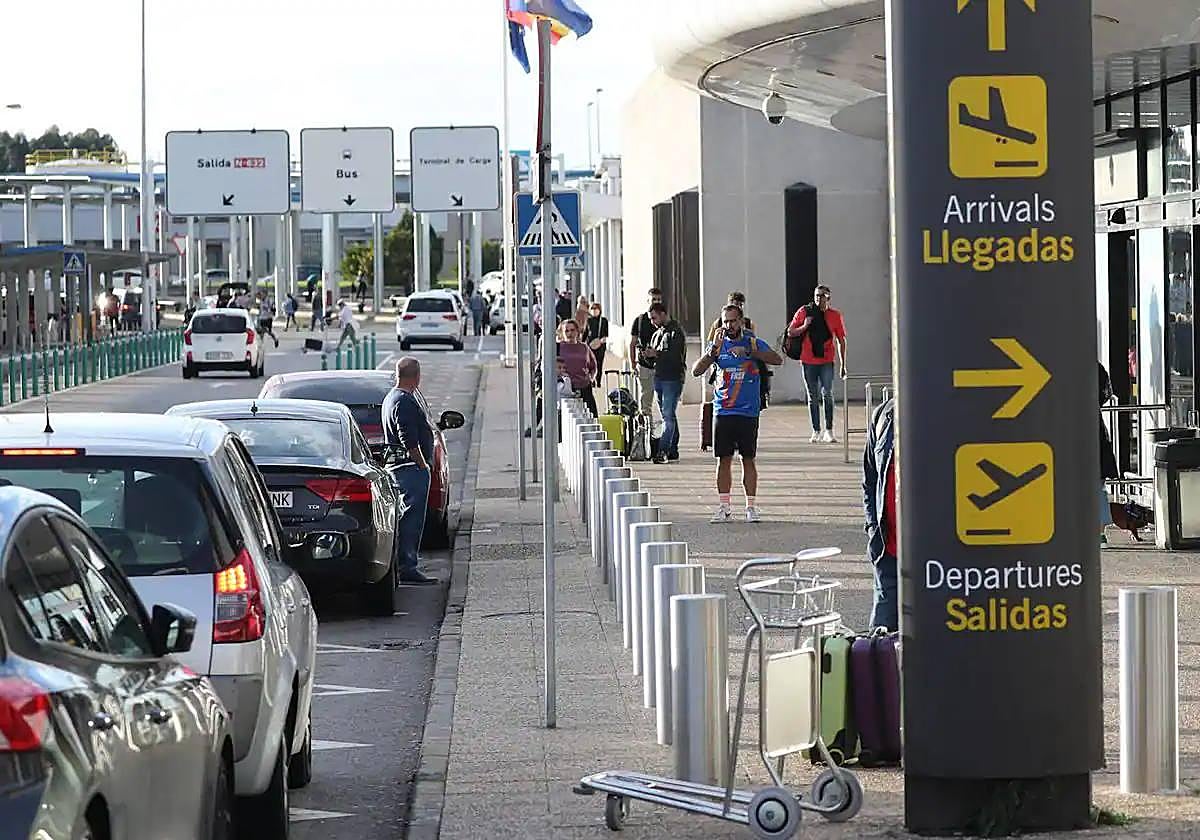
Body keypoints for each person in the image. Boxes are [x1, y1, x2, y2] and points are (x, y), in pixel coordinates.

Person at [692, 304, 783, 522]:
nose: (729, 325)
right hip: (723, 410)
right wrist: (713, 351)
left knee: (748, 459)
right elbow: (696, 370)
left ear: (741, 321)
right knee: (723, 459)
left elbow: (777, 359)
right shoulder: (717, 345)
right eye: (725, 321)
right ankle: (724, 506)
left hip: (748, 411)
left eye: (733, 321)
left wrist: (750, 352)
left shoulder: (752, 342)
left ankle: (750, 507)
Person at [381, 357, 438, 586]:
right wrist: (423, 464)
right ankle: (407, 565)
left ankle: (404, 563)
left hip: (402, 467)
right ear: (417, 377)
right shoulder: (403, 401)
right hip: (409, 468)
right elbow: (408, 438)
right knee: (412, 519)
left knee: (406, 516)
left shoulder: (390, 398)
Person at [787, 285, 847, 443]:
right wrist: (805, 326)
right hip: (808, 360)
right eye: (816, 295)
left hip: (827, 360)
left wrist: (843, 364)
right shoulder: (805, 312)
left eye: (822, 296)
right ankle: (816, 430)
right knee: (812, 396)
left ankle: (829, 430)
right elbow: (791, 332)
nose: (818, 298)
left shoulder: (834, 315)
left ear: (828, 298)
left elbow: (841, 340)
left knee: (827, 394)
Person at [862, 397, 897, 631]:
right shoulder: (884, 414)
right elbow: (870, 479)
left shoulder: (950, 413)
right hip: (888, 551)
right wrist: (872, 526)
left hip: (936, 562)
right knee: (881, 645)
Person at [646, 302, 687, 464]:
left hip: (673, 377)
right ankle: (672, 449)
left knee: (668, 415)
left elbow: (676, 357)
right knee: (666, 414)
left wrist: (656, 353)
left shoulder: (676, 332)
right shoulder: (657, 334)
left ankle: (662, 449)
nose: (652, 322)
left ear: (663, 314)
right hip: (659, 376)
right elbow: (654, 358)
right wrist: (647, 355)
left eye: (654, 318)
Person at [628, 288, 663, 421]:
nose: (656, 302)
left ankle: (664, 430)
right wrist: (633, 364)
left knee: (664, 401)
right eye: (653, 299)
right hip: (644, 365)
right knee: (646, 399)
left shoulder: (666, 320)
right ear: (648, 301)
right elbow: (632, 343)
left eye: (658, 299)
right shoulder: (640, 320)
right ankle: (646, 429)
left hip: (662, 366)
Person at [557, 319, 599, 415]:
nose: (570, 333)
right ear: (562, 333)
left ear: (577, 331)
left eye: (572, 330)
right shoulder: (558, 347)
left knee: (592, 414)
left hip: (584, 385)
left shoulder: (584, 347)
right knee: (568, 416)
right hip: (566, 387)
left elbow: (594, 366)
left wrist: (591, 377)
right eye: (566, 331)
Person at [1099, 363, 1120, 547]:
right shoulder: (1095, 367)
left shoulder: (1063, 366)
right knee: (1098, 486)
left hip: (1068, 431)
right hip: (1095, 432)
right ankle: (1100, 534)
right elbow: (1105, 394)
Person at [584, 301, 610, 387]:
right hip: (589, 345)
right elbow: (586, 333)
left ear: (600, 310)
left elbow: (606, 334)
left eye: (596, 308)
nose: (594, 310)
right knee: (590, 363)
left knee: (599, 363)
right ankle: (591, 380)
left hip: (600, 346)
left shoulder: (603, 321)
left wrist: (600, 341)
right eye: (592, 308)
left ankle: (598, 381)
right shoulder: (588, 320)